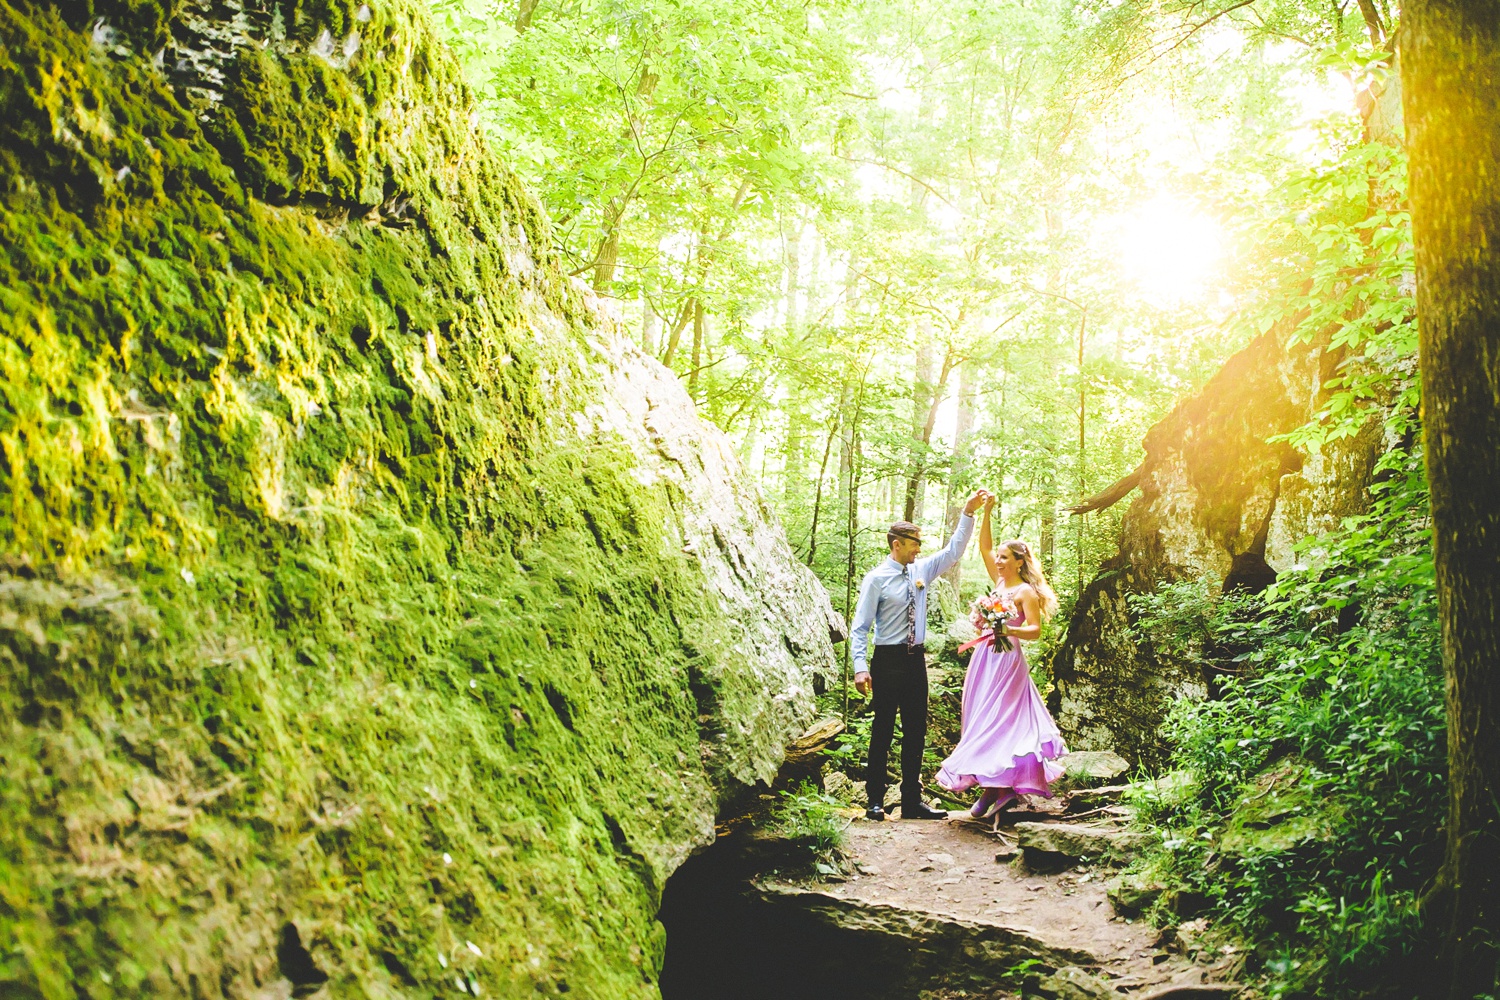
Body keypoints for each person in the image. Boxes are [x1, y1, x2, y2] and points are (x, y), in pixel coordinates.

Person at [850, 489, 991, 821]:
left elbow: (954, 550)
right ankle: (875, 801)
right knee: (882, 730)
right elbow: (860, 627)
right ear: (896, 544)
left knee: (915, 731)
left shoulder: (922, 570)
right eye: (914, 543)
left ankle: (911, 801)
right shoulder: (876, 580)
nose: (919, 548)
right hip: (886, 661)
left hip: (916, 661)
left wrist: (968, 513)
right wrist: (860, 667)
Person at [935, 495, 1067, 819]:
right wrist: (988, 512)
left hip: (1007, 661)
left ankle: (998, 789)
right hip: (984, 658)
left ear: (1019, 562)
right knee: (979, 718)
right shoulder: (997, 584)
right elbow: (984, 547)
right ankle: (995, 787)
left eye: (1005, 558)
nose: (998, 561)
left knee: (1000, 722)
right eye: (1000, 558)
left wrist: (1008, 630)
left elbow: (1034, 630)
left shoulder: (1025, 592)